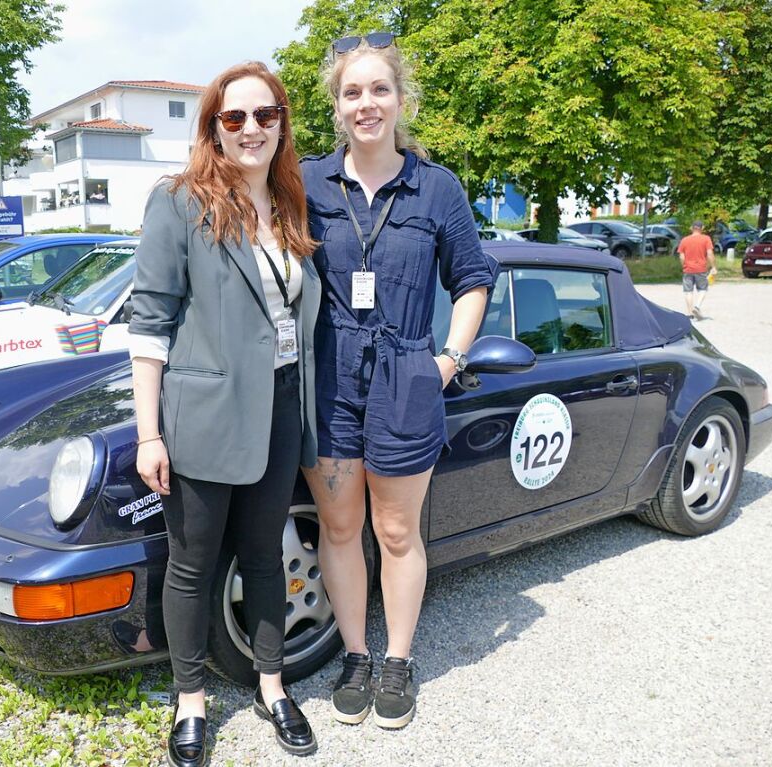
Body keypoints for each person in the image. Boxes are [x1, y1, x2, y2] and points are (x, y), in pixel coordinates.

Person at [128, 61, 320, 766]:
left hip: (277, 406)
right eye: (233, 117)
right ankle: (189, 700)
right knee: (192, 563)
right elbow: (149, 323)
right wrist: (149, 431)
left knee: (265, 554)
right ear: (212, 126)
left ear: (280, 123)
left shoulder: (290, 201)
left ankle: (272, 685)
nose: (250, 129)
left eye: (264, 116)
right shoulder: (179, 203)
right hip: (203, 413)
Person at [300, 32, 493, 730]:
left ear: (400, 98)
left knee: (396, 528)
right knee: (341, 522)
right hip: (327, 381)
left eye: (378, 89)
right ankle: (355, 652)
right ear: (337, 104)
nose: (366, 103)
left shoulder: (436, 187)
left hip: (406, 375)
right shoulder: (308, 180)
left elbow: (472, 278)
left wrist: (446, 360)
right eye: (352, 92)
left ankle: (398, 657)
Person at [677, 220, 717, 319]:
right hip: (701, 269)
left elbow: (681, 256)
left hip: (688, 269)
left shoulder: (684, 240)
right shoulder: (706, 239)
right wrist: (713, 267)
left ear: (692, 228)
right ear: (702, 228)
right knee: (703, 289)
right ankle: (697, 306)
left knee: (688, 291)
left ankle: (690, 313)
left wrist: (684, 266)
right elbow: (710, 254)